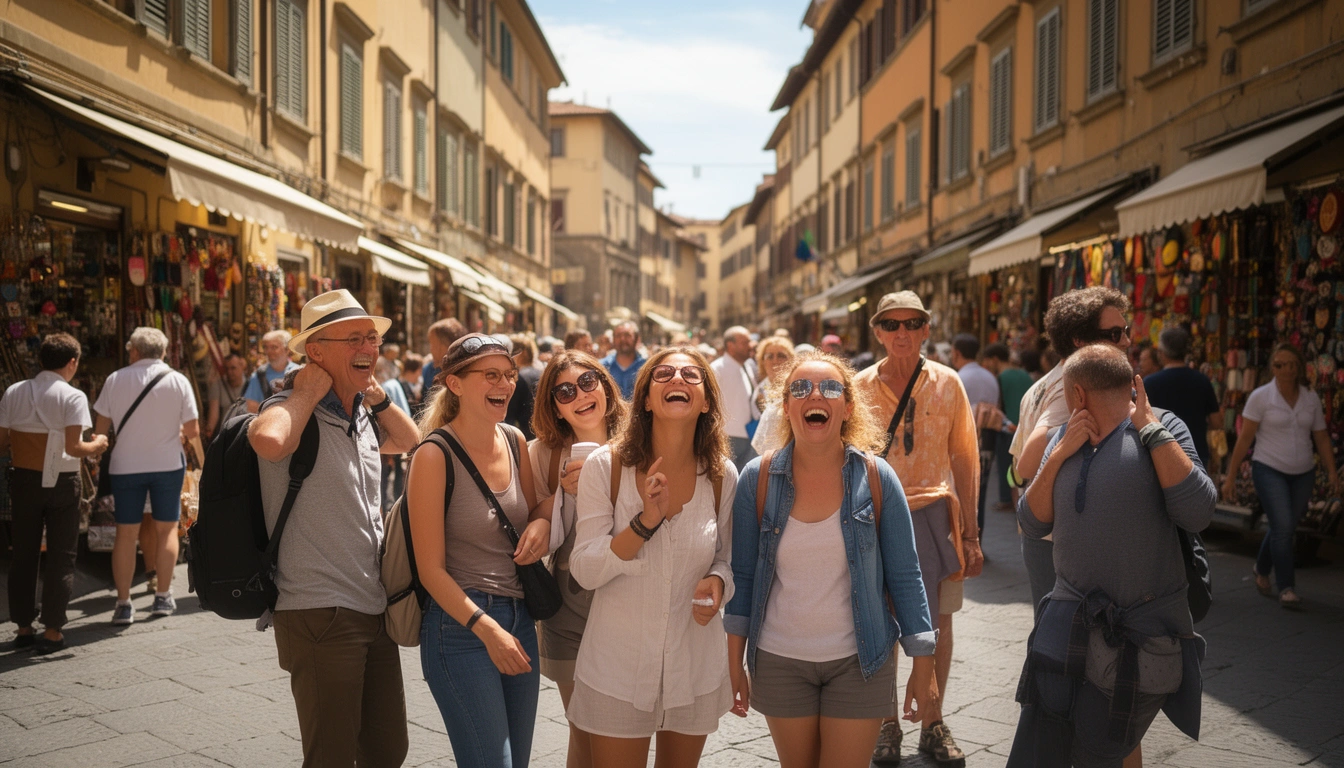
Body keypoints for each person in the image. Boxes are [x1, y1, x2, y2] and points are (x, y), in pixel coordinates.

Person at [726, 351, 939, 768]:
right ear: (786, 407)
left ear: (847, 407)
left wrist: (923, 663)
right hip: (779, 660)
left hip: (862, 661)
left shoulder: (878, 477)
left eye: (830, 388)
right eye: (800, 388)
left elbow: (905, 575)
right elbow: (744, 575)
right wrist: (733, 662)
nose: (814, 396)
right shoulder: (758, 477)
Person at [1008, 345, 1215, 767]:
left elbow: (1198, 511)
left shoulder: (1165, 425)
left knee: (1096, 754)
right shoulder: (1060, 438)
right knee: (1036, 753)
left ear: (1077, 394)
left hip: (1136, 642)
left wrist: (1152, 431)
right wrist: (1061, 452)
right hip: (1062, 634)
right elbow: (1031, 522)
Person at [248, 290, 420, 767]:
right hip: (319, 610)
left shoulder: (361, 414)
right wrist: (306, 391)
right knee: (331, 756)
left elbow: (411, 441)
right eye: (354, 339)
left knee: (388, 749)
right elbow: (267, 440)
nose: (369, 347)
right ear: (315, 353)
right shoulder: (288, 405)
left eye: (373, 338)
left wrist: (374, 393)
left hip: (372, 604)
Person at [569, 347, 737, 768]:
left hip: (692, 670)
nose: (677, 378)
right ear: (645, 398)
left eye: (690, 375)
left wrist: (717, 584)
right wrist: (644, 522)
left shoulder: (721, 476)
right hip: (617, 671)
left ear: (706, 401)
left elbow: (727, 560)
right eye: (663, 373)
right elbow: (585, 569)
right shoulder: (604, 466)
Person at [406, 333, 550, 767]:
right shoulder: (433, 455)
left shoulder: (514, 440)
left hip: (520, 620)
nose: (505, 384)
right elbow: (430, 570)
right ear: (455, 383)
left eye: (508, 375)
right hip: (460, 630)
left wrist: (542, 521)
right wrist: (488, 630)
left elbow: (535, 507)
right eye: (490, 375)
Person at [854, 292, 983, 766]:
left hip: (934, 512)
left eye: (912, 323)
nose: (901, 333)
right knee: (879, 623)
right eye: (891, 324)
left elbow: (966, 458)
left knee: (938, 625)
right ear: (878, 332)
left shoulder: (949, 384)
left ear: (927, 328)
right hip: (878, 512)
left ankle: (932, 721)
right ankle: (887, 724)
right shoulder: (860, 387)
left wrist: (970, 533)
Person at [528, 350, 627, 768]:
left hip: (628, 606)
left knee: (620, 734)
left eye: (588, 382)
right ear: (554, 406)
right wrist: (562, 495)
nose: (580, 396)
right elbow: (532, 525)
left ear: (605, 385)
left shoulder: (641, 440)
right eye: (565, 391)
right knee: (583, 731)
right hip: (569, 608)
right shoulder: (542, 455)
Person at [1011, 287, 1133, 611]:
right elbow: (1025, 463)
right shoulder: (1076, 387)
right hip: (1059, 536)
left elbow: (1015, 473)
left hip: (1040, 532)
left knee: (1053, 632)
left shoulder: (1041, 384)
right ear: (1080, 339)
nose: (1126, 341)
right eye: (1115, 333)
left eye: (1126, 331)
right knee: (1068, 638)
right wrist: (1062, 447)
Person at [0, 334, 109, 653]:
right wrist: (99, 444)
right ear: (72, 362)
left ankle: (22, 626)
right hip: (62, 481)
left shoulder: (14, 391)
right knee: (62, 555)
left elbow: (2, 442)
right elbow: (76, 448)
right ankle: (52, 630)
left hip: (24, 480)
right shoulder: (72, 397)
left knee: (23, 553)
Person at [94, 327, 199, 625]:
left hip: (126, 465)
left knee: (126, 534)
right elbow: (192, 431)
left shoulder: (115, 379)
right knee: (167, 530)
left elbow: (101, 430)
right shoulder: (178, 380)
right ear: (163, 352)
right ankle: (163, 597)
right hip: (167, 464)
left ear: (134, 351)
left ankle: (123, 603)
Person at [1223, 343, 1341, 608]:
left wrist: (1332, 472)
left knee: (1283, 527)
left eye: (1290, 364)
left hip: (1303, 472)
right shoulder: (1261, 397)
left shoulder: (1310, 397)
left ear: (1298, 367)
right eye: (1279, 365)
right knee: (1284, 527)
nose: (1285, 369)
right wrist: (1231, 475)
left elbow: (1321, 437)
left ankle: (1261, 568)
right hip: (1268, 468)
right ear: (1272, 368)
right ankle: (1287, 586)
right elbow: (1245, 439)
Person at [1143, 326, 1221, 469]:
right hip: (1196, 454)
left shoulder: (1149, 383)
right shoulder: (1202, 381)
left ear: (1161, 353)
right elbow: (1216, 422)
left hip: (1160, 456)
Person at [951, 333, 1001, 540]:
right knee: (981, 489)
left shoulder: (958, 378)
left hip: (965, 439)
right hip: (989, 439)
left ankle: (963, 538)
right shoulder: (989, 377)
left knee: (962, 490)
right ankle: (977, 539)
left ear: (956, 353)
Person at [982, 344, 1032, 511]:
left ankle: (1006, 499)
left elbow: (999, 405)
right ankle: (1023, 497)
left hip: (1007, 428)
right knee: (1023, 465)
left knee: (1006, 465)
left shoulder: (1001, 377)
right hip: (1026, 426)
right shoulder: (1024, 374)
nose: (987, 365)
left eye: (988, 360)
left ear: (995, 359)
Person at [711, 326, 762, 470]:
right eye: (744, 342)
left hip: (748, 436)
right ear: (730, 345)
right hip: (727, 437)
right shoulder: (717, 368)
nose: (750, 345)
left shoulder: (748, 366)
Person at [749, 336, 795, 455]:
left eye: (781, 355)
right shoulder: (759, 391)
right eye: (770, 356)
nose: (775, 360)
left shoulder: (798, 388)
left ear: (791, 359)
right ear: (762, 361)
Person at [243, 330, 300, 412]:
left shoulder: (299, 373)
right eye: (265, 347)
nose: (269, 352)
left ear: (287, 349)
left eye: (274, 347)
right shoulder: (259, 375)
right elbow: (251, 407)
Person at [203, 352, 247, 442]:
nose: (230, 372)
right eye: (227, 369)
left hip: (245, 436)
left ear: (242, 367)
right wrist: (209, 432)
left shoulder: (251, 384)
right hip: (226, 436)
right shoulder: (217, 385)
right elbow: (213, 414)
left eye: (233, 368)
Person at [507, 334, 542, 440]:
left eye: (512, 352)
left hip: (525, 437)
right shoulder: (542, 373)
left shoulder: (519, 378)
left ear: (522, 353)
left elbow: (510, 416)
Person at [422, 317, 469, 395]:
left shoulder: (465, 374)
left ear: (446, 346)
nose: (431, 350)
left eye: (433, 344)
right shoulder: (429, 370)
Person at [600, 321, 646, 400]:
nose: (622, 339)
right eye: (618, 335)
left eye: (627, 335)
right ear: (613, 339)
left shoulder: (646, 367)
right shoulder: (601, 367)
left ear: (637, 339)